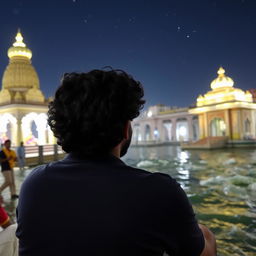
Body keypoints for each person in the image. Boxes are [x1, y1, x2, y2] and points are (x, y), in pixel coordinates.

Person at [16, 69, 216, 256]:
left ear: (62, 130)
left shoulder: (33, 184)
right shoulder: (160, 191)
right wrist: (203, 232)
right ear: (125, 130)